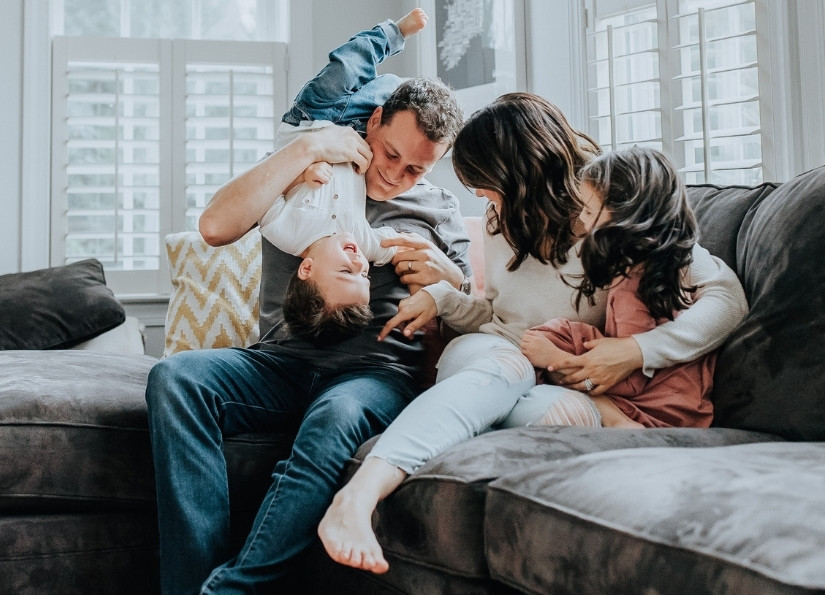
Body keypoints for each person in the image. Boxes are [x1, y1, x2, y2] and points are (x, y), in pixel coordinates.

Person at [317, 92, 749, 574]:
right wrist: (444, 298)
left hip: (559, 380)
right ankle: (359, 495)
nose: (480, 197)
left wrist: (635, 351)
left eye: (485, 184)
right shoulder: (498, 221)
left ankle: (438, 446)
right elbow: (497, 319)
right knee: (506, 370)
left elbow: (727, 299)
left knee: (547, 413)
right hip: (496, 354)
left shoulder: (608, 211)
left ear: (519, 174)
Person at [145, 52, 469, 595]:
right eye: (391, 154)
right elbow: (215, 226)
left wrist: (450, 280)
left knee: (335, 415)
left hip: (374, 374)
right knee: (175, 379)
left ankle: (231, 589)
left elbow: (475, 312)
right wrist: (307, 146)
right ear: (373, 123)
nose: (396, 175)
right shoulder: (310, 171)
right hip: (279, 362)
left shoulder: (439, 210)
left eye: (416, 168)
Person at [256, 9, 428, 344]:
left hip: (311, 118)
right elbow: (398, 247)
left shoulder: (286, 233)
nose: (358, 261)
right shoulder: (363, 241)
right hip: (356, 131)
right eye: (364, 273)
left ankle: (394, 33)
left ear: (307, 270)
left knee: (348, 65)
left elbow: (266, 191)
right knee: (394, 92)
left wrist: (300, 175)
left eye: (345, 270)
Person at [516, 146, 717, 430]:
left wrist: (556, 359)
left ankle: (618, 423)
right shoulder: (664, 269)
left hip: (661, 411)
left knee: (556, 353)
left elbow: (630, 382)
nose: (582, 221)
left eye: (588, 210)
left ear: (624, 217)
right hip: (684, 403)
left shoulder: (632, 288)